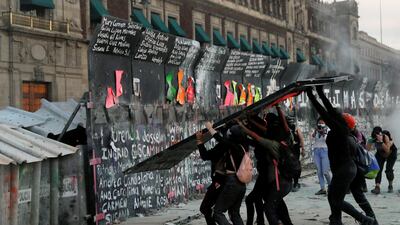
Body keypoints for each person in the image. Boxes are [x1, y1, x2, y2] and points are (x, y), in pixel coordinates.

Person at [307, 86, 375, 225]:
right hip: (345, 170)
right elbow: (329, 109)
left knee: (336, 200)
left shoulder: (339, 129)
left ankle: (365, 220)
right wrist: (319, 91)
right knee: (333, 195)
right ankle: (336, 220)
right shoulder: (342, 129)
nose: (332, 117)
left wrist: (311, 95)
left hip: (345, 170)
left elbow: (324, 111)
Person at [237, 112, 293, 225]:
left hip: (273, 178)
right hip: (280, 179)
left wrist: (242, 125)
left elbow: (255, 135)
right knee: (272, 202)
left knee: (267, 206)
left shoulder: (272, 143)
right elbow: (260, 133)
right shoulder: (285, 138)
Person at [204, 122, 248, 225]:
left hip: (232, 182)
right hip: (242, 185)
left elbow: (221, 140)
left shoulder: (233, 146)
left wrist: (210, 128)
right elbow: (226, 139)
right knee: (234, 213)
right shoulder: (243, 146)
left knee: (218, 213)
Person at [341, 113, 379, 225]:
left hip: (349, 172)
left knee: (336, 198)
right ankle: (372, 218)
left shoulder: (347, 139)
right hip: (356, 172)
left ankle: (365, 219)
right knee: (359, 196)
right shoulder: (354, 136)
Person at [196, 130, 227, 225]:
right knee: (216, 211)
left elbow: (205, 155)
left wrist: (200, 141)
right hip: (225, 182)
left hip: (220, 181)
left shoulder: (223, 146)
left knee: (206, 208)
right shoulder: (234, 144)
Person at [367, 127, 397, 194]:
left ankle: (390, 185)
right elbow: (367, 150)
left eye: (379, 134)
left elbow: (387, 150)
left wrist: (381, 142)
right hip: (380, 153)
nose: (377, 136)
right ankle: (377, 187)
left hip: (391, 153)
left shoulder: (386, 137)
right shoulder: (374, 138)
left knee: (388, 170)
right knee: (378, 169)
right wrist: (370, 141)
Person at [311, 117, 331, 195]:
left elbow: (328, 141)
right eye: (319, 123)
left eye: (322, 123)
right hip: (316, 151)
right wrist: (316, 131)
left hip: (325, 151)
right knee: (319, 171)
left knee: (325, 172)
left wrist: (324, 133)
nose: (321, 125)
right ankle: (322, 188)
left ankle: (331, 186)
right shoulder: (316, 130)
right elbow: (312, 137)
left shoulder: (328, 130)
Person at [286, 116, 305, 192]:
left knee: (295, 165)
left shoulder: (296, 129)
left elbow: (301, 139)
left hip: (295, 149)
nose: (290, 122)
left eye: (291, 121)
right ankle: (289, 182)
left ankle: (296, 182)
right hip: (288, 150)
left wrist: (303, 149)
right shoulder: (285, 128)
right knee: (288, 165)